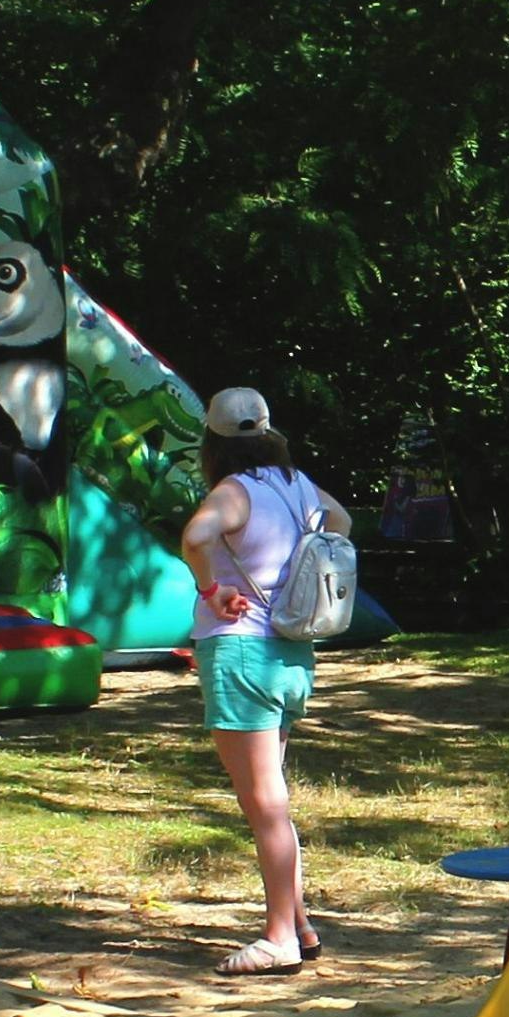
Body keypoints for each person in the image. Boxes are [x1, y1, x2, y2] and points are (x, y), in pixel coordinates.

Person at [180, 389, 353, 977]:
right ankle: (299, 924)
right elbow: (343, 522)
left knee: (264, 803)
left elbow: (196, 537)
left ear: (213, 440)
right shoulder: (297, 485)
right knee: (271, 797)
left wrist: (212, 590)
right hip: (292, 653)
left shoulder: (232, 492)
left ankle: (279, 935)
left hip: (242, 653)